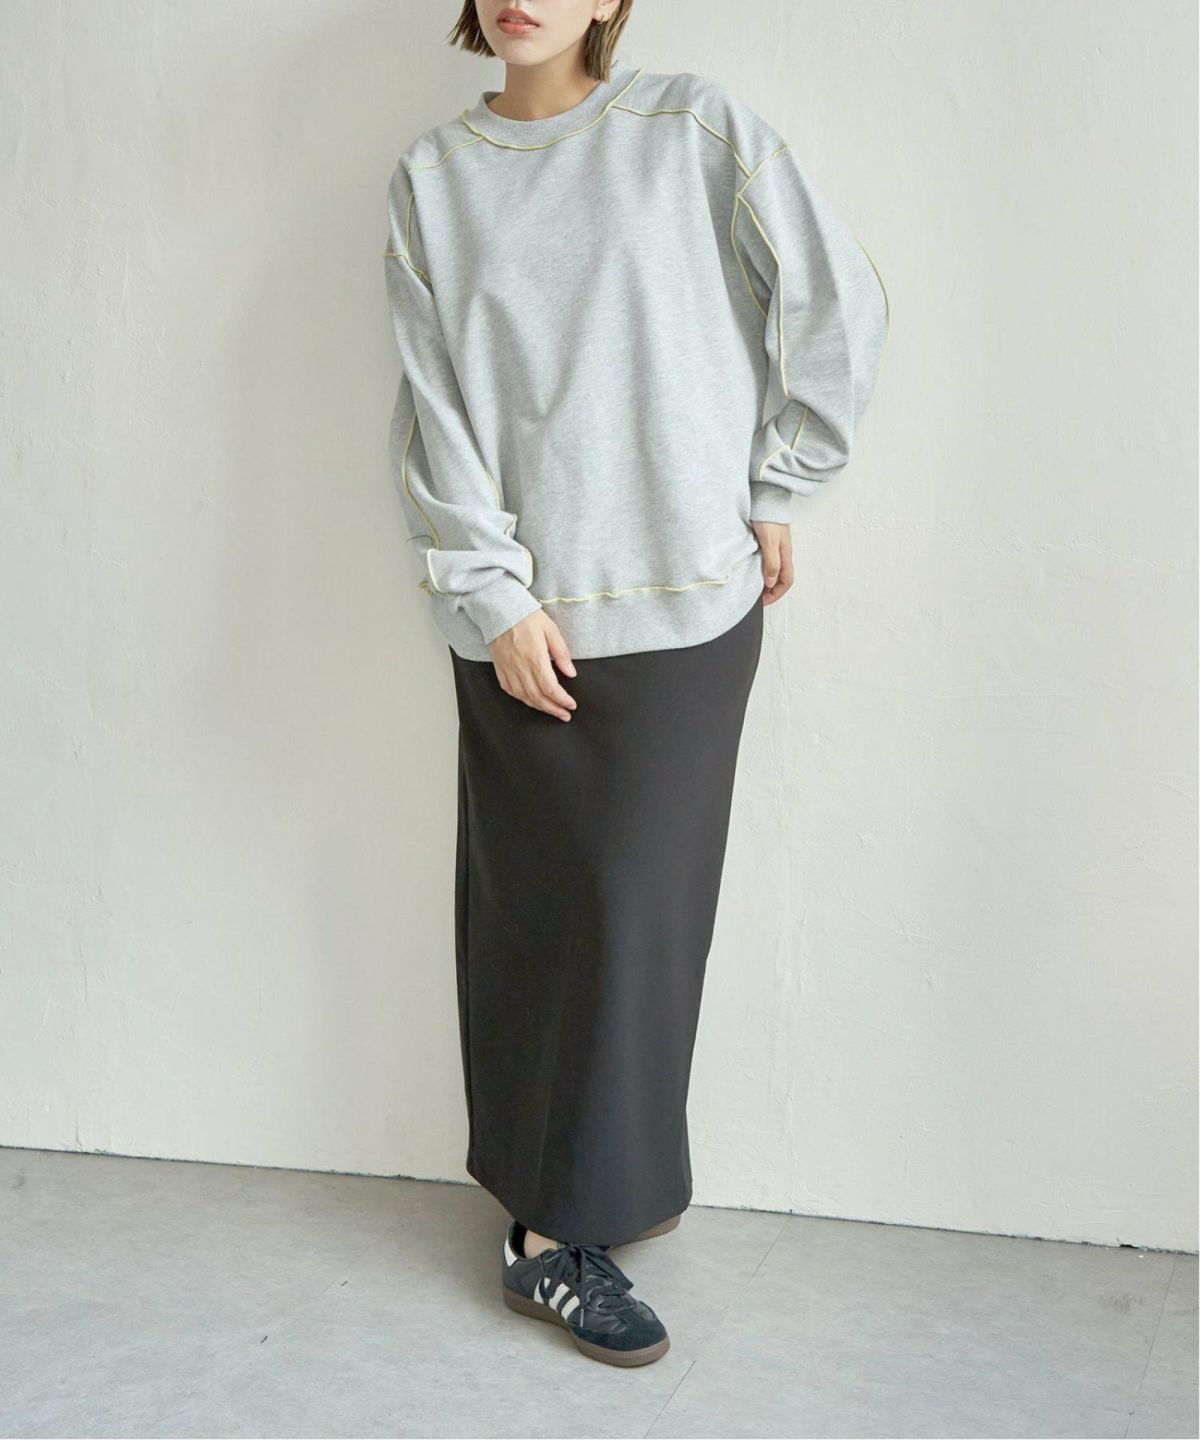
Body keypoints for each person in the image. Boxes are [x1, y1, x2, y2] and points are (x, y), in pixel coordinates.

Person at [382, 0, 889, 1369]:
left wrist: (782, 480)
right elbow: (433, 404)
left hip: (687, 601)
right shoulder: (435, 176)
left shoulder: (692, 127)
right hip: (527, 623)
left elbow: (831, 297)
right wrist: (493, 597)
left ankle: (596, 1198)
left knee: (639, 928)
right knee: (536, 921)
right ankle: (548, 1237)